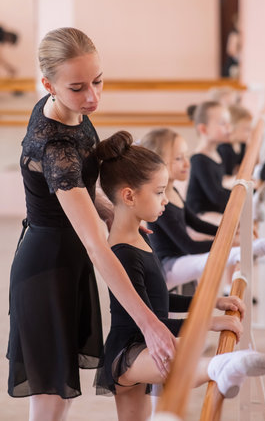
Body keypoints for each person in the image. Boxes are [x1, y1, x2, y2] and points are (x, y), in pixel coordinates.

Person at [6, 27, 176, 421]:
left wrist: (110, 209)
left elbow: (77, 190)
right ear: (48, 84)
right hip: (46, 268)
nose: (93, 96)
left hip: (65, 259)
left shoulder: (67, 109)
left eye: (98, 81)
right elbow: (97, 246)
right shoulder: (56, 149)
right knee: (50, 399)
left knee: (60, 397)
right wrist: (149, 326)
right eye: (79, 87)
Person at [94, 130, 265, 421]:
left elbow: (160, 300)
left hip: (143, 346)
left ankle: (223, 366)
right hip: (129, 355)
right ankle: (224, 366)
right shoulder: (122, 252)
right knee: (187, 364)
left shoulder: (142, 236)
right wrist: (210, 322)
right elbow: (155, 321)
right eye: (159, 192)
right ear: (129, 196)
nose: (166, 200)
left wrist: (212, 302)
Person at [140, 128, 265, 291]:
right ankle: (255, 247)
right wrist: (231, 242)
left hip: (183, 260)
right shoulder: (161, 204)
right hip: (169, 267)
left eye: (185, 156)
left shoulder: (173, 191)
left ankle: (249, 241)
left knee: (212, 255)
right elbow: (189, 246)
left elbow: (196, 223)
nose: (187, 163)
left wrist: (228, 232)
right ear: (159, 164)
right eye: (178, 158)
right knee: (209, 258)